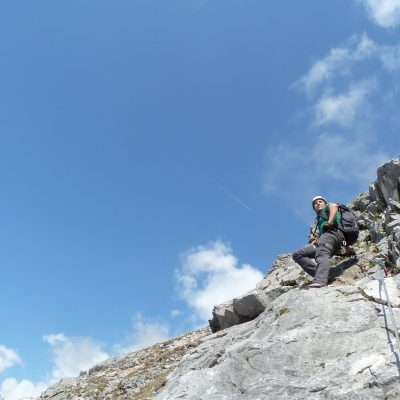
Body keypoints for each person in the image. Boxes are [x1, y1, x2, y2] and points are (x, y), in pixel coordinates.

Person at [292, 196, 345, 288]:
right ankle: (325, 274)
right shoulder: (319, 219)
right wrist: (317, 239)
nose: (318, 203)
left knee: (321, 253)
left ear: (324, 203)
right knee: (297, 254)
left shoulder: (328, 207)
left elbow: (334, 207)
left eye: (320, 201)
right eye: (315, 203)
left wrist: (330, 222)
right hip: (325, 239)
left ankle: (320, 280)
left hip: (333, 234)